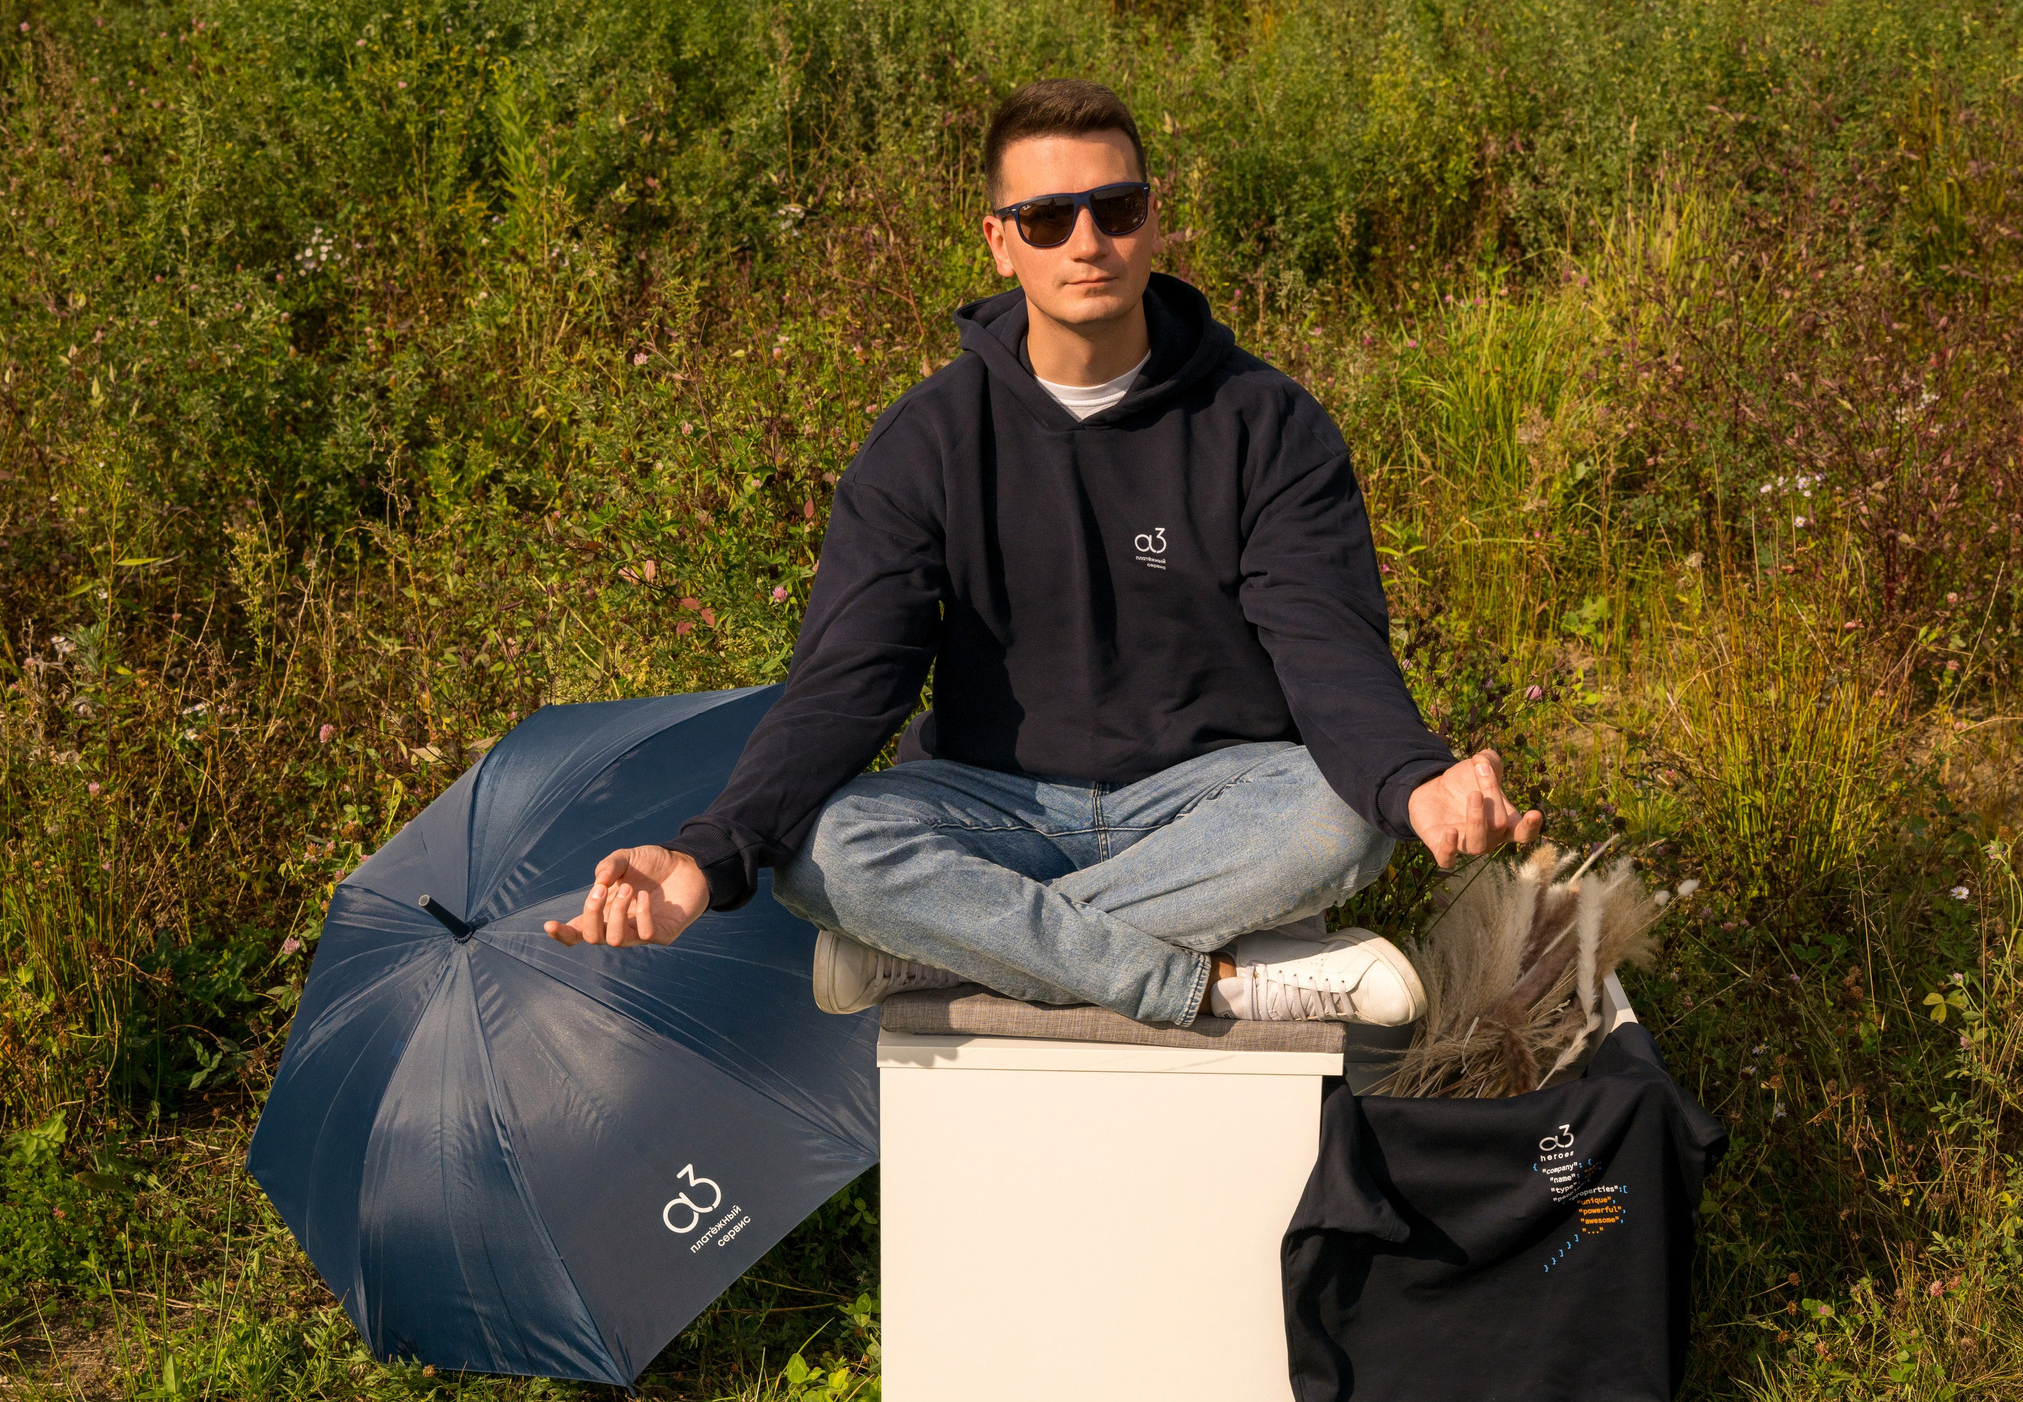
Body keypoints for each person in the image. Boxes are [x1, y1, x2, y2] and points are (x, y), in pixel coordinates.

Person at [545, 78, 1539, 1025]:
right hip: (995, 805)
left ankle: (939, 945)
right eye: (1047, 218)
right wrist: (706, 856)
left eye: (1115, 208)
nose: (1087, 242)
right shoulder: (929, 440)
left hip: (1208, 796)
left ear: (1154, 218)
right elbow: (847, 682)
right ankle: (1213, 984)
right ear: (998, 241)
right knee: (824, 853)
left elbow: (1326, 645)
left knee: (1343, 816)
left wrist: (1414, 780)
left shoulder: (1263, 423)